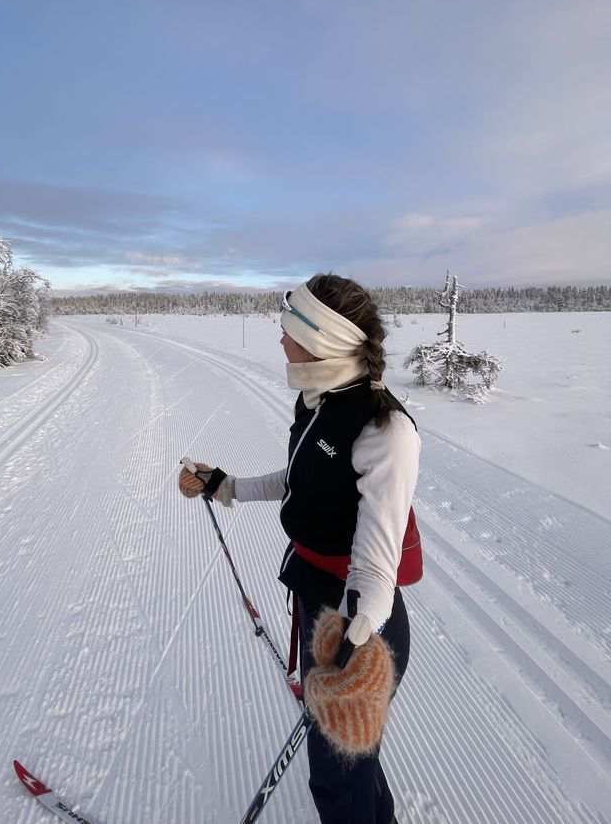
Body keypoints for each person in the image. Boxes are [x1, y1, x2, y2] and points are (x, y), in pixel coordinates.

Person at [178, 274, 422, 824]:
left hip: (356, 627)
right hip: (325, 608)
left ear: (324, 341)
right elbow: (303, 481)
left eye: (289, 331)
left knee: (336, 777)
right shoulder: (319, 398)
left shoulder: (386, 431)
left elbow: (379, 563)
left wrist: (356, 637)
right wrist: (228, 485)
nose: (281, 342)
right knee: (353, 762)